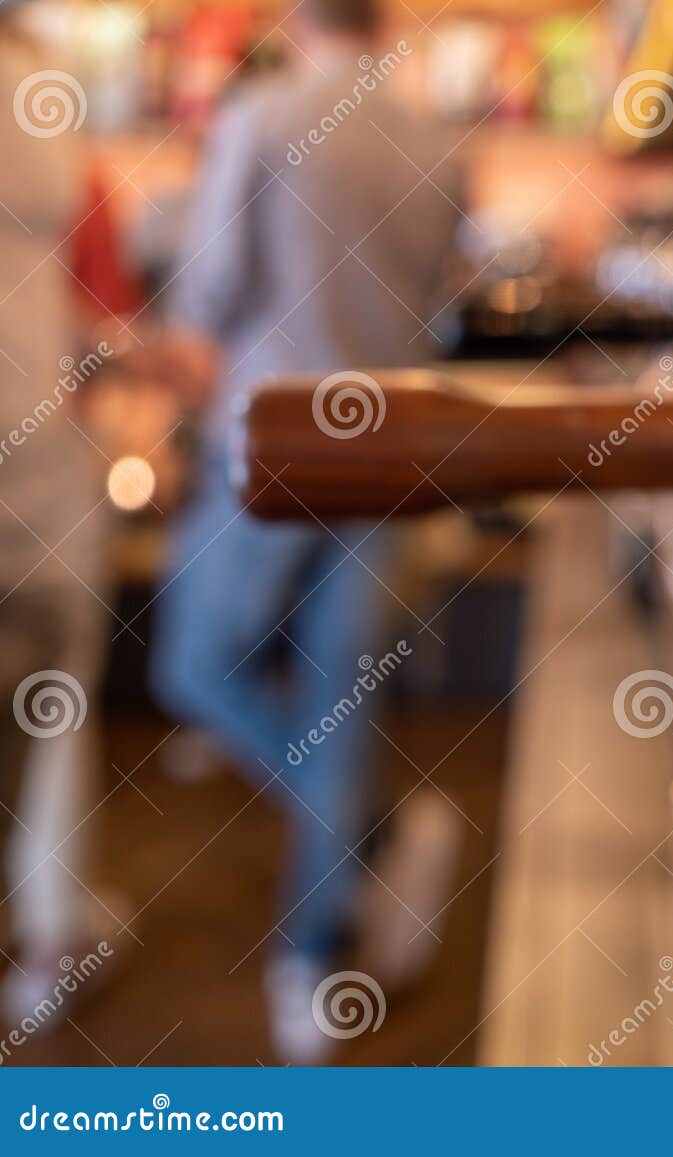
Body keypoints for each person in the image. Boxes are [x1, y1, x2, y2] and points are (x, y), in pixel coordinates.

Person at [150, 0, 465, 1063]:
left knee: (194, 665)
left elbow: (206, 303)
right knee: (341, 702)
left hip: (272, 444)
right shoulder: (437, 143)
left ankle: (372, 837)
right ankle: (312, 960)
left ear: (291, 17)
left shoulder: (263, 116)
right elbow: (438, 308)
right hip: (392, 447)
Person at [0, 2, 133, 1027]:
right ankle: (51, 938)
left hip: (41, 466)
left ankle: (52, 933)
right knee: (50, 707)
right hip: (39, 472)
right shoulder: (35, 85)